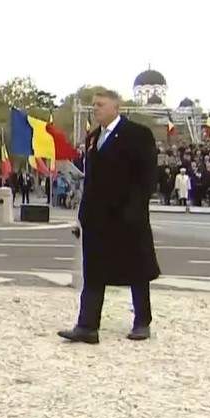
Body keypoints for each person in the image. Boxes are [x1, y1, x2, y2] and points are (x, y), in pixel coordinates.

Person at [59, 89, 161, 344]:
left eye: (101, 105)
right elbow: (90, 180)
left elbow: (147, 176)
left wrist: (135, 210)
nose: (96, 109)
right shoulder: (94, 137)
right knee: (93, 271)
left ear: (116, 107)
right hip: (98, 217)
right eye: (94, 105)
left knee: (137, 270)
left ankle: (142, 321)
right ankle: (87, 326)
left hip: (128, 216)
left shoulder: (137, 134)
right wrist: (82, 215)